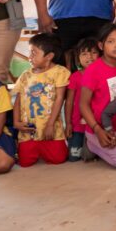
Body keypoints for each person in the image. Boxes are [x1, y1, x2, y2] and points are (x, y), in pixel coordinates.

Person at [79, 23, 116, 169]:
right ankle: (91, 143)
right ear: (101, 45)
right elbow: (83, 104)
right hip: (102, 128)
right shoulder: (92, 71)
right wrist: (97, 130)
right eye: (110, 41)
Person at [13, 33, 70, 167]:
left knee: (58, 158)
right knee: (25, 162)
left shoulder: (60, 72)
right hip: (28, 130)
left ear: (49, 56)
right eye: (29, 52)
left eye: (34, 53)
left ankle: (44, 146)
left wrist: (50, 124)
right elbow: (18, 100)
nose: (29, 57)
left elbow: (60, 98)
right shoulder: (25, 75)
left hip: (50, 129)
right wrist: (16, 122)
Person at [65, 38, 99, 161]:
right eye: (84, 54)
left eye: (94, 52)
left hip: (97, 125)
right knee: (74, 157)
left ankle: (91, 149)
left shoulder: (101, 74)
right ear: (78, 58)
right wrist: (68, 123)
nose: (89, 57)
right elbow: (69, 102)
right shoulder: (75, 77)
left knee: (90, 155)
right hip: (78, 125)